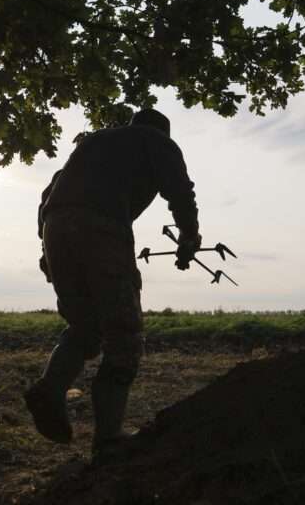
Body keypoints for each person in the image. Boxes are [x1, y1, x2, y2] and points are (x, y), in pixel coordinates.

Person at [23, 108, 201, 461]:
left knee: (85, 326)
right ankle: (108, 439)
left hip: (56, 229)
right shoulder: (156, 141)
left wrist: (48, 251)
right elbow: (180, 190)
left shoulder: (91, 144)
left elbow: (49, 194)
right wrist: (189, 235)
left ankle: (50, 388)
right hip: (102, 229)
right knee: (124, 334)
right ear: (160, 131)